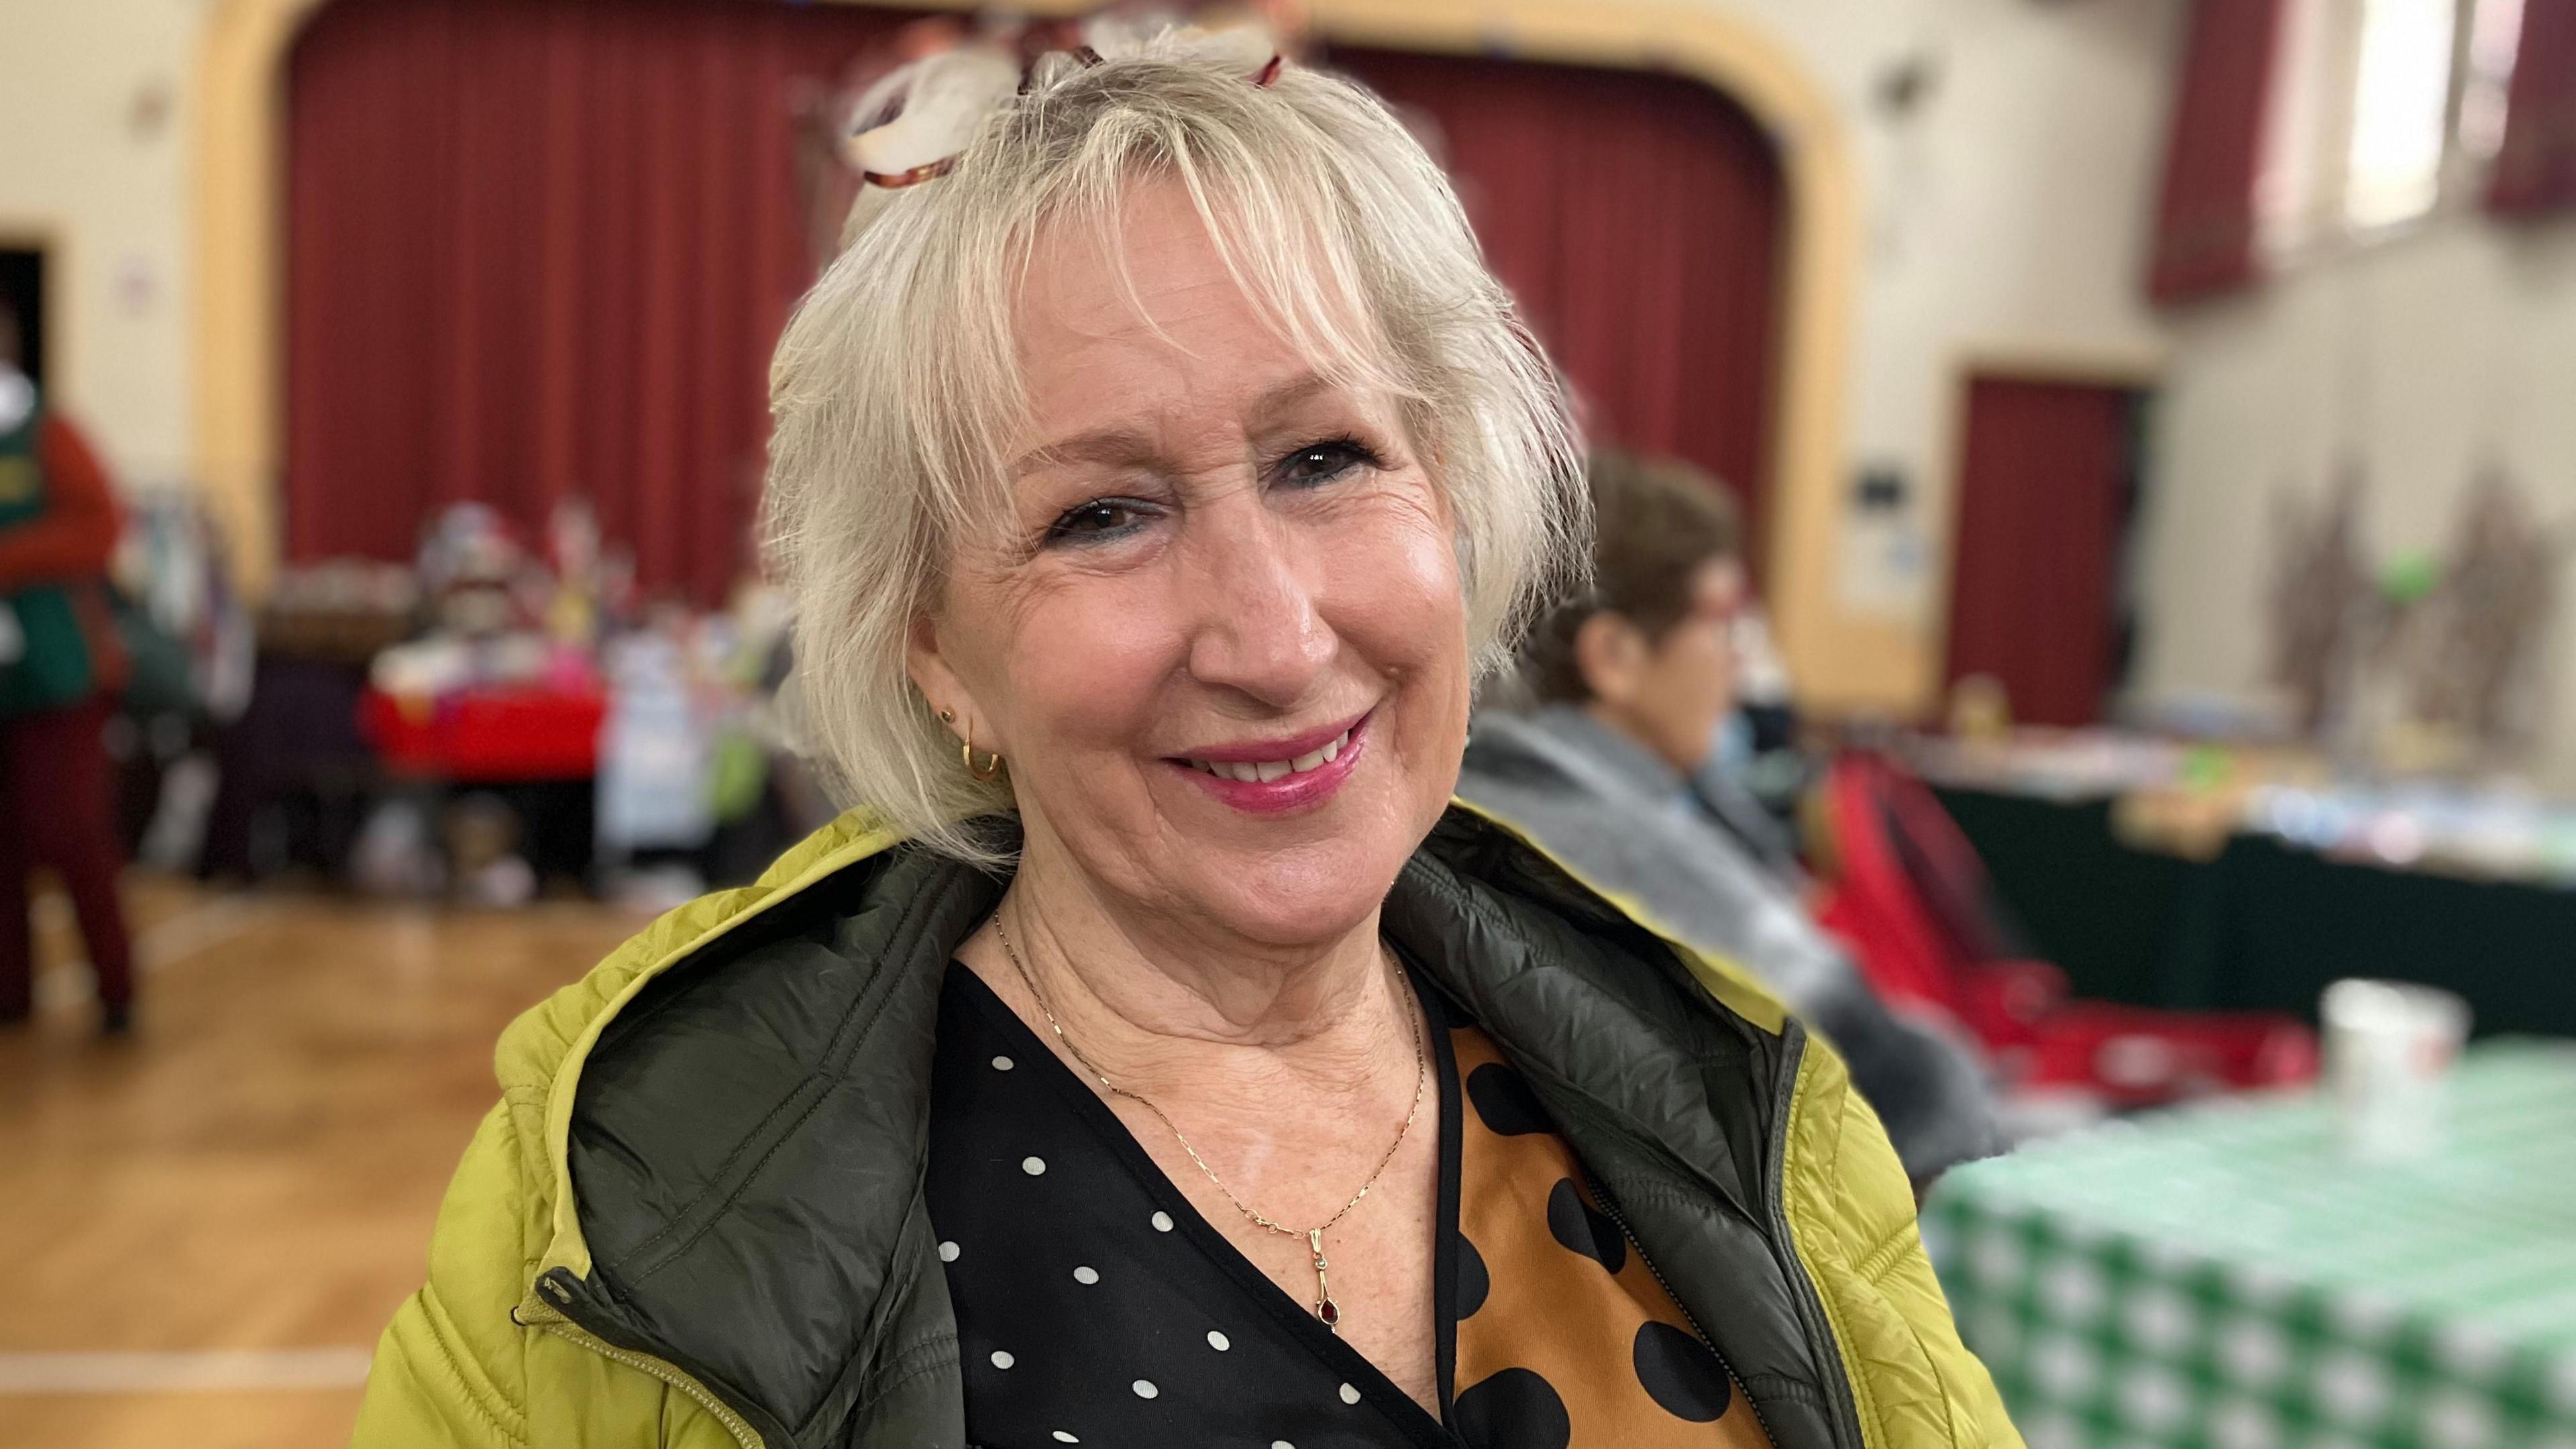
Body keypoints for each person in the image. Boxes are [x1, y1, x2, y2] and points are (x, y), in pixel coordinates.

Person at [354, 30, 2016, 1449]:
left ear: (1457, 497)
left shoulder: (1737, 1097)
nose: (1275, 640)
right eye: (1103, 514)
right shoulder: (631, 1200)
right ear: (933, 651)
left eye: (1325, 460)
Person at [1454, 453, 2004, 1189]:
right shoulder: (1622, 849)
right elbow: (1891, 1084)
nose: (1739, 665)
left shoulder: (1488, 796)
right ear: (1615, 657)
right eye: (1719, 623)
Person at [0, 295, 136, 1036]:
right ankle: (10, 995)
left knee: (73, 832)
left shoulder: (48, 435)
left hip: (62, 673)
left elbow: (99, 529)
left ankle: (115, 991)